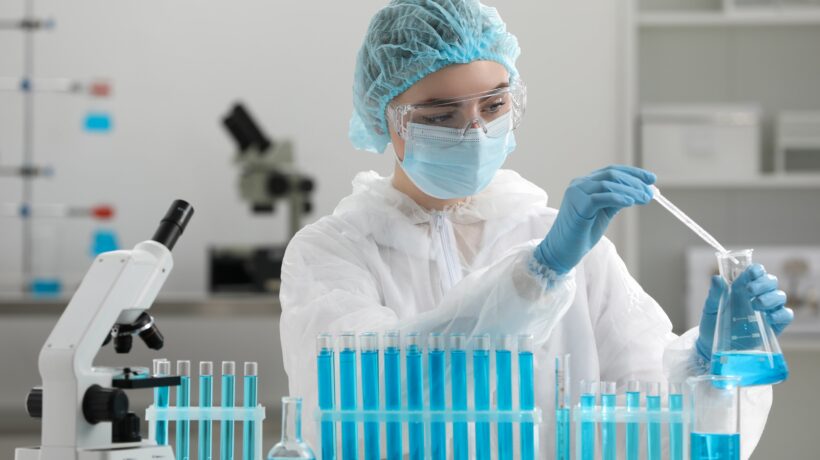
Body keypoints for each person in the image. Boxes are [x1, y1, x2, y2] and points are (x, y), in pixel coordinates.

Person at [279, 0, 793, 457]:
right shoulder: (333, 253)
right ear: (383, 118)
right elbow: (367, 392)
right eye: (439, 116)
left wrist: (712, 365)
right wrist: (538, 275)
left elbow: (655, 432)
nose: (475, 131)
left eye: (493, 105)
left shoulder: (570, 245)